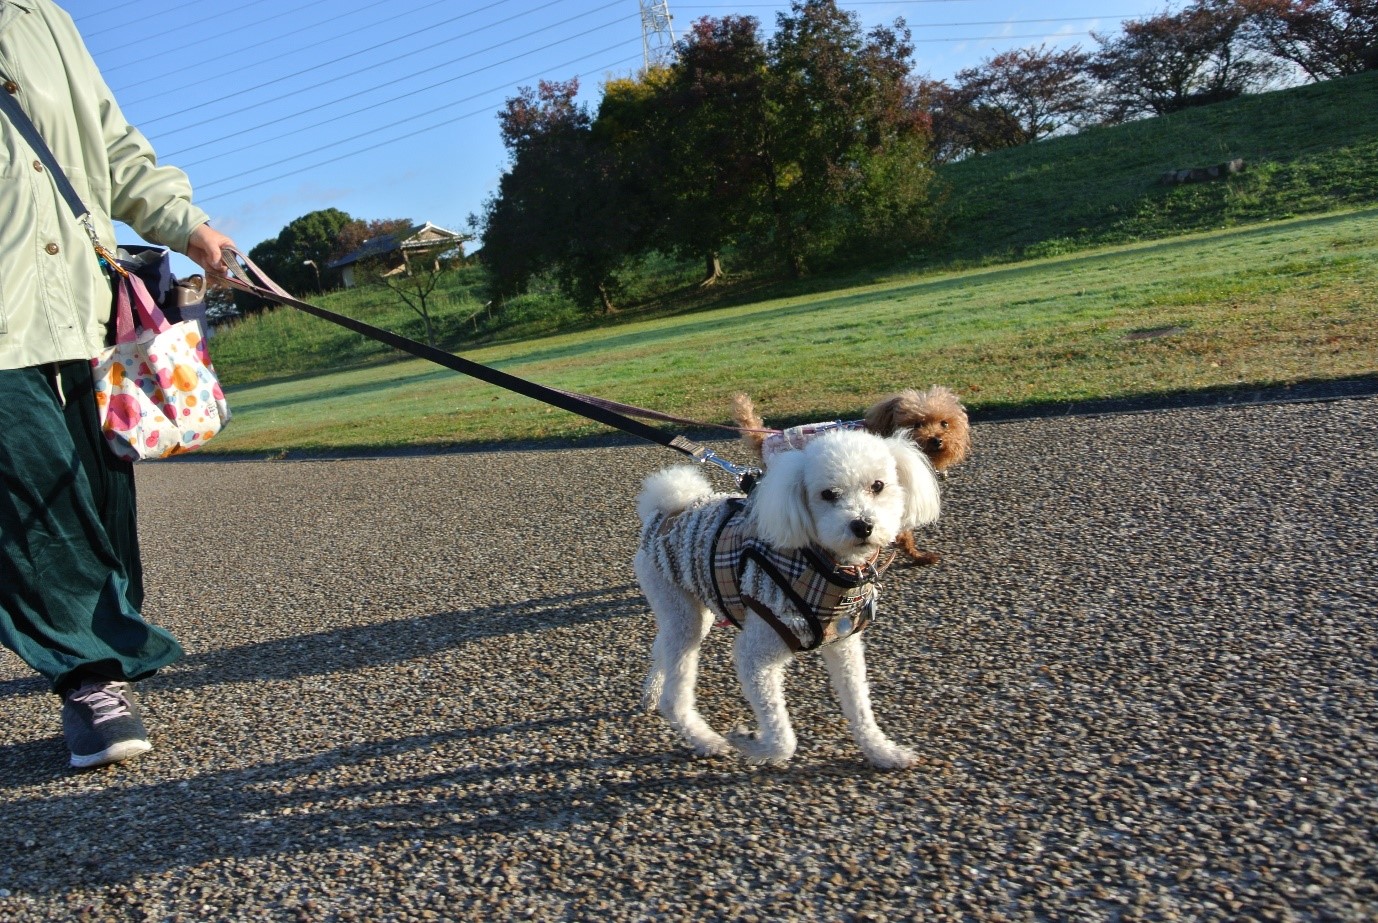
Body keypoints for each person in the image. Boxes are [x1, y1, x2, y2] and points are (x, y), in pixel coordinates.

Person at [0, 0, 236, 768]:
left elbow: (110, 145)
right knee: (32, 495)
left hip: (79, 302)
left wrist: (186, 223)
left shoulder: (43, 18)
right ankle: (91, 678)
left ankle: (94, 645)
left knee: (99, 494)